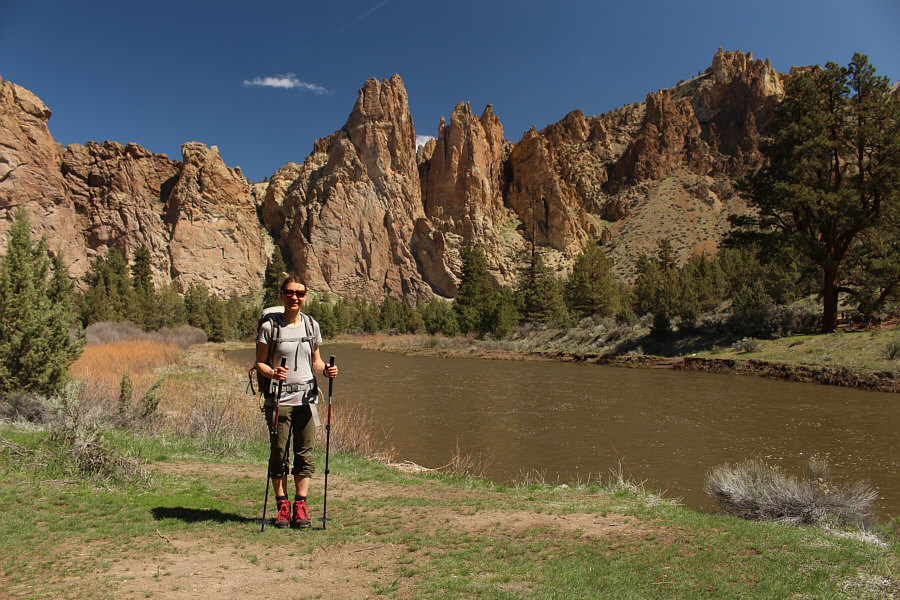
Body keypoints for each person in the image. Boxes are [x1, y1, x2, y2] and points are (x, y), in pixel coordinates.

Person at [256, 274, 338, 529]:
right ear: (282, 295)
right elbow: (259, 364)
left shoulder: (312, 326)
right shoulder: (270, 327)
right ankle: (282, 506)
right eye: (290, 292)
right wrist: (273, 373)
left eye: (300, 293)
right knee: (279, 454)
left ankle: (300, 506)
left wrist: (326, 370)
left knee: (304, 454)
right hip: (279, 399)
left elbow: (315, 361)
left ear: (305, 296)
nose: (295, 297)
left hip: (306, 400)